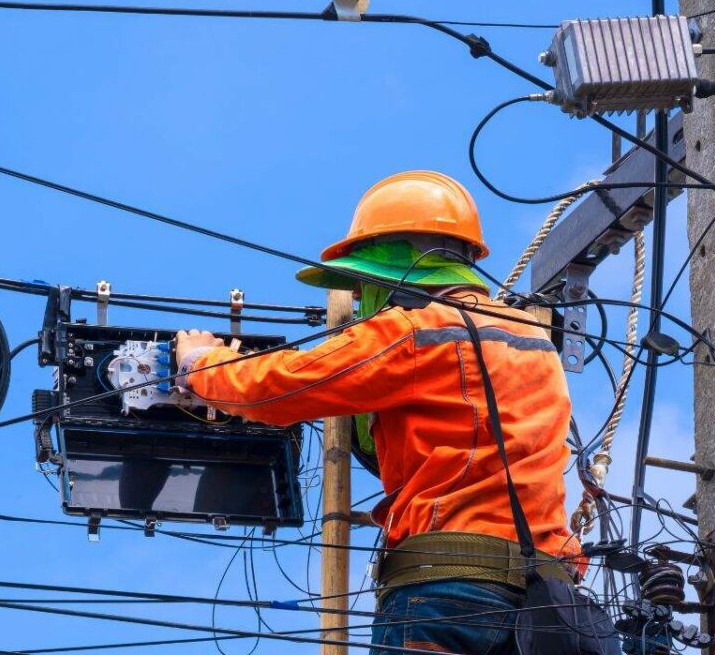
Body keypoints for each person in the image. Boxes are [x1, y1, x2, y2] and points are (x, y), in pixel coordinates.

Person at [174, 170, 616, 654]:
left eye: (363, 285)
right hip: (545, 607)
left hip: (445, 592)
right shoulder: (532, 339)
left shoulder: (413, 332)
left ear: (394, 269)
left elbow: (280, 386)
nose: (362, 302)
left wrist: (202, 364)